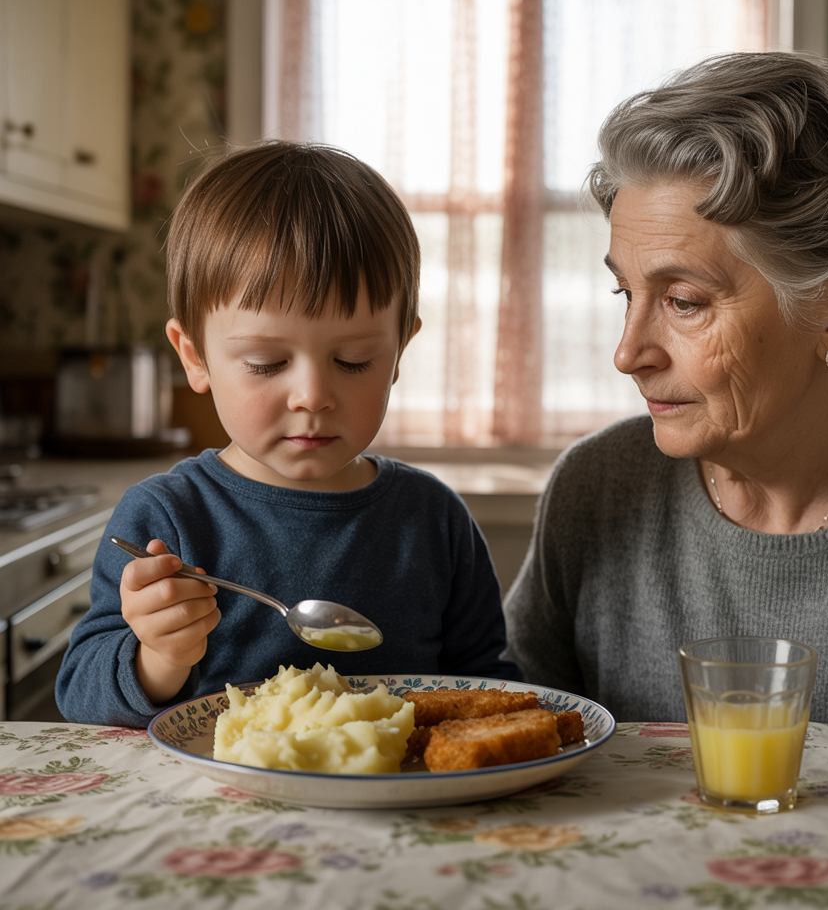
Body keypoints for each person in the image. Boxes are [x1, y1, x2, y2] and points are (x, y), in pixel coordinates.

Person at [503, 52, 828, 889]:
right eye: (623, 294)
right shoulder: (596, 490)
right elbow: (515, 762)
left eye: (684, 301)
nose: (628, 352)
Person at [57, 141, 518, 727]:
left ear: (399, 351)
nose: (312, 395)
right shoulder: (166, 520)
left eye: (353, 360)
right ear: (194, 358)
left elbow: (486, 683)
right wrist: (160, 656)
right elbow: (80, 693)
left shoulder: (432, 519)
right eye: (267, 363)